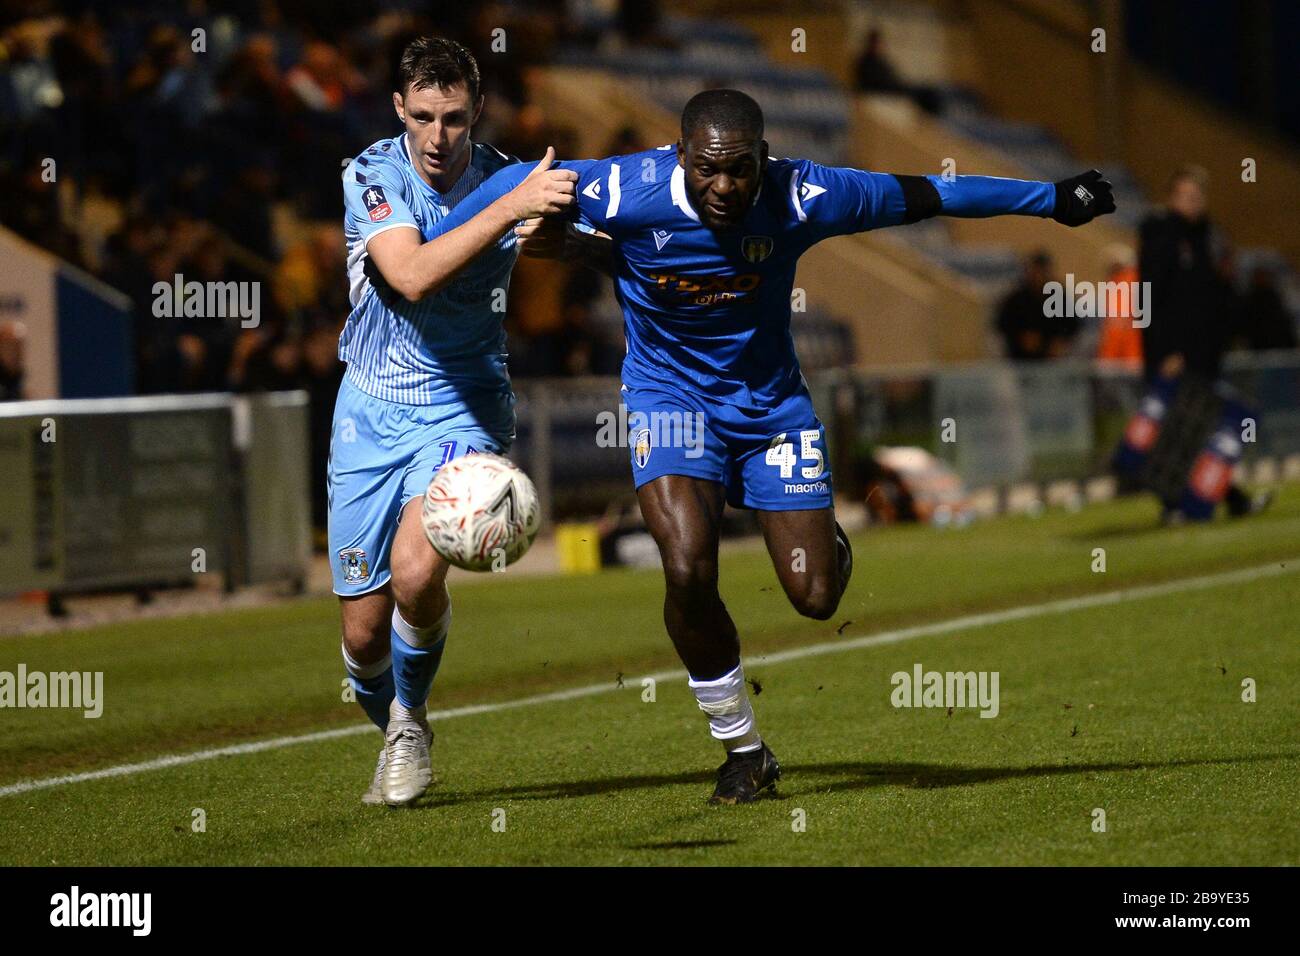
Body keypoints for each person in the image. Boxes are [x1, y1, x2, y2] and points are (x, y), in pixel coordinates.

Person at [434, 88, 1115, 804]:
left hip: (772, 413)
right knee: (687, 566)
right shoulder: (624, 185)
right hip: (671, 404)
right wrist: (470, 232)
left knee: (816, 597)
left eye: (739, 171)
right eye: (706, 170)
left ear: (764, 158)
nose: (723, 187)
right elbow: (503, 182)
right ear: (680, 155)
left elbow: (931, 192)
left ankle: (830, 542)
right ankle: (742, 749)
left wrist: (1052, 199)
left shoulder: (807, 194)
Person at [331, 37, 582, 807]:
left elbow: (558, 242)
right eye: (424, 118)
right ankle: (404, 725)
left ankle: (407, 725)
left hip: (462, 404)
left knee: (415, 572)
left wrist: (556, 235)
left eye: (455, 119)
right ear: (399, 111)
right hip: (368, 411)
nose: (438, 138)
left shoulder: (506, 175)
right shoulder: (372, 175)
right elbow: (406, 275)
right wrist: (511, 208)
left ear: (478, 112)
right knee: (364, 638)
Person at [1138, 166, 1268, 520]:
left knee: (1204, 432)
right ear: (1172, 197)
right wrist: (1164, 352)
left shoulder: (1208, 238)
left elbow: (1213, 300)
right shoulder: (1162, 237)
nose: (1195, 203)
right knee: (1180, 434)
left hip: (1205, 354)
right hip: (1177, 357)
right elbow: (1149, 299)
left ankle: (1224, 500)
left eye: (1199, 196)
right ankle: (1175, 505)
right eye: (1187, 196)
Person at [996, 250, 1077, 360]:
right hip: (1020, 359)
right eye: (1035, 271)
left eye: (1042, 271)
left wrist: (1061, 341)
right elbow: (1003, 325)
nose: (1038, 276)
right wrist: (1020, 338)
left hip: (1053, 360)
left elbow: (1073, 325)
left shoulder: (1059, 296)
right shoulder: (1016, 298)